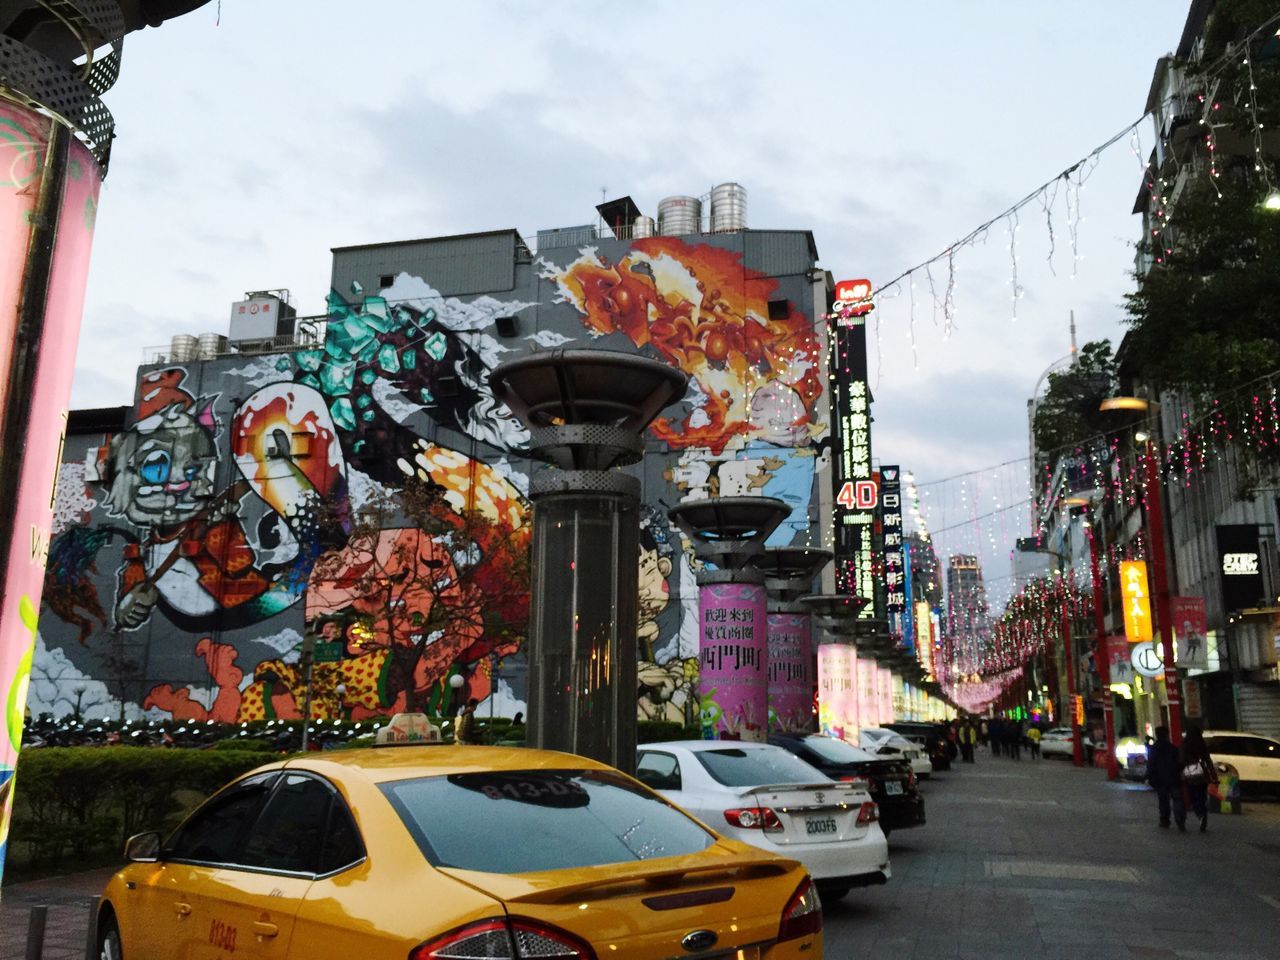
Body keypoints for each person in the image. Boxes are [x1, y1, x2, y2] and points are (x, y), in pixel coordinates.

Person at [1146, 726, 1185, 830]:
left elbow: (1151, 765)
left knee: (1163, 801)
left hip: (1160, 779)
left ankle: (1165, 820)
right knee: (1177, 799)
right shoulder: (1173, 748)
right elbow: (1180, 763)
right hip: (1174, 778)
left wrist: (1150, 777)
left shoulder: (1153, 749)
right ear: (1167, 735)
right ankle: (1180, 820)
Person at [1180, 728, 1217, 833]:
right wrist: (1213, 776)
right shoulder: (1202, 744)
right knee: (1202, 797)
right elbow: (1208, 761)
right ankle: (1203, 815)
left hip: (1190, 776)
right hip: (1202, 775)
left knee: (1193, 798)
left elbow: (1181, 760)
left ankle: (1200, 815)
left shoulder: (1185, 744)